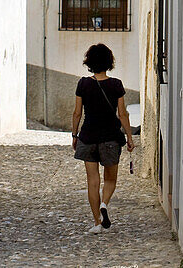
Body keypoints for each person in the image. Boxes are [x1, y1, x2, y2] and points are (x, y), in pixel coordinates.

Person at [71, 42, 135, 234]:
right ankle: (104, 204)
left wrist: (74, 135)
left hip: (88, 136)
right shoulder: (116, 85)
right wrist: (130, 137)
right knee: (110, 180)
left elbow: (76, 113)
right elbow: (123, 114)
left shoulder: (83, 84)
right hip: (110, 138)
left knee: (92, 181)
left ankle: (97, 223)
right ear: (109, 62)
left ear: (89, 62)